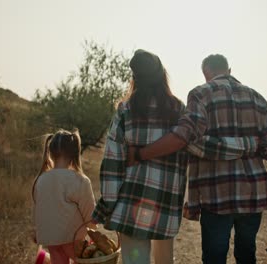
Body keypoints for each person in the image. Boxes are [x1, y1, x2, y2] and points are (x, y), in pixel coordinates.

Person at [92, 50, 258, 264]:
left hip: (131, 203)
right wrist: (249, 145)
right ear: (163, 75)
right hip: (165, 204)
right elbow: (203, 147)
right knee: (165, 260)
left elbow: (112, 163)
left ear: (135, 78)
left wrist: (108, 204)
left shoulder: (126, 110)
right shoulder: (179, 110)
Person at [128, 54, 267, 264]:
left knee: (214, 258)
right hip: (253, 195)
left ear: (206, 74)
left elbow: (182, 137)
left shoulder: (200, 94)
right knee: (247, 254)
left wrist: (140, 154)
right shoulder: (257, 99)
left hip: (216, 197)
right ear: (229, 70)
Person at [32, 129, 96, 264]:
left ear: (51, 151)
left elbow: (39, 210)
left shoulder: (41, 180)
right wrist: (93, 232)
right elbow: (90, 215)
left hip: (50, 237)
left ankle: (43, 258)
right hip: (72, 237)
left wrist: (37, 231)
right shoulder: (80, 180)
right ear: (74, 153)